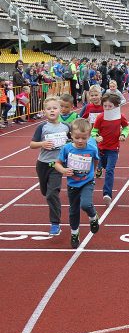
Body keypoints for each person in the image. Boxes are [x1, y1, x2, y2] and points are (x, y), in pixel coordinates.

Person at [55, 118, 100, 248]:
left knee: (86, 204)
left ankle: (93, 216)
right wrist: (64, 170)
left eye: (84, 138)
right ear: (71, 136)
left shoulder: (91, 149)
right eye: (77, 137)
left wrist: (93, 172)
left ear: (89, 136)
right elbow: (57, 164)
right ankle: (74, 233)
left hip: (87, 182)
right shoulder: (67, 149)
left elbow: (95, 161)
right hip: (72, 185)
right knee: (73, 211)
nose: (80, 141)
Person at [30, 96, 70, 236]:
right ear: (44, 111)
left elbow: (74, 141)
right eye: (49, 109)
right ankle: (54, 217)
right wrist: (42, 144)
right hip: (42, 164)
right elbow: (32, 144)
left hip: (57, 165)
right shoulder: (42, 127)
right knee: (45, 192)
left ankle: (55, 223)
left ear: (59, 110)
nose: (52, 111)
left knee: (52, 194)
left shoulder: (66, 127)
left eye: (54, 108)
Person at [92, 93, 129, 205]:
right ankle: (99, 167)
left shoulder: (120, 117)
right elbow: (94, 131)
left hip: (113, 148)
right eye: (105, 106)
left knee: (109, 170)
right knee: (103, 166)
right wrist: (96, 137)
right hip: (101, 148)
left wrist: (123, 135)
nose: (107, 108)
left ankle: (107, 194)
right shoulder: (100, 117)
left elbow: (126, 127)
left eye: (110, 106)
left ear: (116, 106)